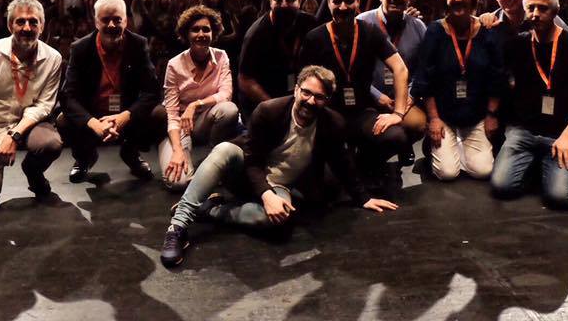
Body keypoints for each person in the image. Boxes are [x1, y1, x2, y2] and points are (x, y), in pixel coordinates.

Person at [160, 66, 398, 268]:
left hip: (281, 185)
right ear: (296, 90)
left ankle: (210, 210)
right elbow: (251, 160)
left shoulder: (332, 123)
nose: (310, 101)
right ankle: (178, 227)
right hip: (248, 175)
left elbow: (342, 161)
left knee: (278, 220)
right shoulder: (269, 110)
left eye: (319, 97)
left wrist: (363, 198)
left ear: (327, 100)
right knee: (224, 149)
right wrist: (265, 194)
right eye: (306, 92)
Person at [300, 0, 411, 193]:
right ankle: (347, 164)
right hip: (328, 115)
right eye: (337, 1)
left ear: (358, 2)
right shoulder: (315, 38)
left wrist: (398, 112)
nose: (343, 7)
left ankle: (365, 163)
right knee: (325, 189)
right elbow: (303, 81)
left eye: (349, 1)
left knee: (396, 136)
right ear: (329, 3)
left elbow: (401, 69)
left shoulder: (370, 32)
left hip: (362, 111)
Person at [491, 0, 568, 208]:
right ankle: (540, 163)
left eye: (543, 8)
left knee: (560, 198)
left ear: (556, 11)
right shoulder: (517, 44)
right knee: (502, 187)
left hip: (561, 132)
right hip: (525, 131)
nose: (536, 13)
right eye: (531, 8)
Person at [0, 0, 63, 211]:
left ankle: (33, 171)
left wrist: (15, 135)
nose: (27, 28)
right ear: (10, 25)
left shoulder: (53, 58)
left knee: (50, 144)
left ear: (42, 26)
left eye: (33, 22)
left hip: (26, 125)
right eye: (20, 22)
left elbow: (44, 105)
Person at [59, 0, 160, 183]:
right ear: (96, 22)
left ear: (126, 21)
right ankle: (85, 157)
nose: (112, 25)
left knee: (159, 114)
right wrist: (93, 123)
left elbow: (152, 91)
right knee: (63, 120)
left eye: (117, 19)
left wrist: (124, 117)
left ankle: (131, 152)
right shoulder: (80, 48)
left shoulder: (138, 44)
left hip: (126, 113)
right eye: (106, 20)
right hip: (93, 115)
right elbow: (67, 96)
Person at [414, 0, 503, 181]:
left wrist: (491, 115)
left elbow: (496, 76)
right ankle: (437, 148)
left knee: (483, 171)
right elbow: (425, 78)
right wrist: (434, 118)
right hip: (443, 114)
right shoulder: (434, 31)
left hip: (476, 114)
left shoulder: (487, 31)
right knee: (447, 173)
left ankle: (458, 148)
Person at [160, 5, 240, 190]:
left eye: (206, 29)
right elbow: (171, 114)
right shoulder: (174, 65)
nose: (201, 34)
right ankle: (175, 151)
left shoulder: (221, 57)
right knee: (177, 183)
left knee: (229, 109)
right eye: (195, 29)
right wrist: (178, 151)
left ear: (214, 33)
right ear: (186, 34)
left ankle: (213, 159)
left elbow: (226, 94)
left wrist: (195, 104)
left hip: (207, 121)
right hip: (181, 126)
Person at [356, 0, 428, 166]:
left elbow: (424, 69)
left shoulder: (419, 27)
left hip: (403, 99)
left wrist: (409, 97)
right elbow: (354, 70)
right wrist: (377, 96)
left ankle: (400, 146)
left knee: (420, 124)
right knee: (379, 131)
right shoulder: (362, 23)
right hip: (370, 97)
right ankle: (371, 160)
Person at [238, 0, 318, 119]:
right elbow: (245, 80)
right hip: (264, 99)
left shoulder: (310, 23)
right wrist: (274, 106)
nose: (284, 4)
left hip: (298, 96)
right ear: (270, 2)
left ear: (299, 1)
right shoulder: (256, 34)